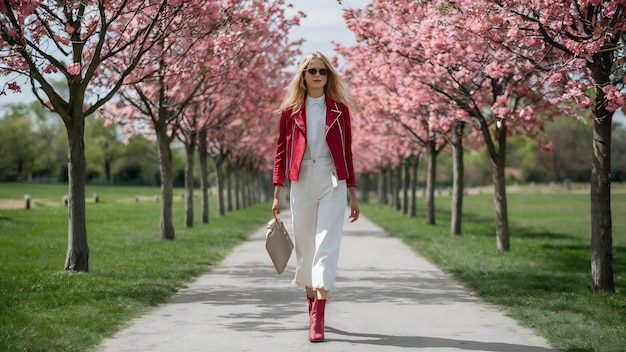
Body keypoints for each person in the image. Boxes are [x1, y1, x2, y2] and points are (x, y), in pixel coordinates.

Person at [272, 51, 360, 343]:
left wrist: (353, 192)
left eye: (322, 71)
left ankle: (318, 316)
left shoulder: (339, 110)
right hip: (301, 180)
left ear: (328, 76)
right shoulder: (290, 112)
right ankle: (311, 301)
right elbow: (281, 154)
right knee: (306, 245)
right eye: (312, 71)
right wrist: (277, 193)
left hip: (332, 179)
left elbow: (347, 152)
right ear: (303, 76)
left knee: (326, 243)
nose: (318, 75)